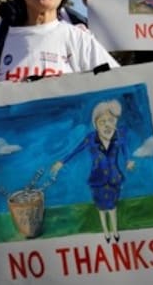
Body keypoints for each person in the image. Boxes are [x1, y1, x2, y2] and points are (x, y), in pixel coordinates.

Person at [51, 100, 133, 243]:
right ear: (95, 124)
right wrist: (61, 161)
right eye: (102, 122)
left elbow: (125, 150)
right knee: (101, 207)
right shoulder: (90, 138)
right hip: (97, 179)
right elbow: (75, 150)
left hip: (114, 177)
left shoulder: (120, 135)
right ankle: (106, 233)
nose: (107, 125)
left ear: (116, 121)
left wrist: (128, 161)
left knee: (112, 206)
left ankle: (115, 231)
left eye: (111, 120)